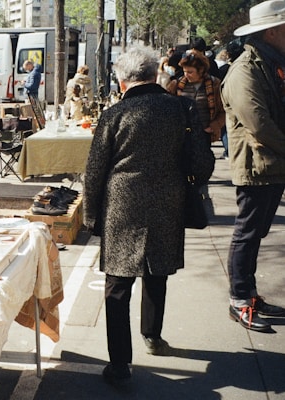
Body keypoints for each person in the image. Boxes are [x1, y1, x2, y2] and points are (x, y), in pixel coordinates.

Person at [83, 46, 214, 386]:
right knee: (157, 273)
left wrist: (90, 214)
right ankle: (152, 337)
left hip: (122, 205)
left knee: (117, 286)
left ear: (122, 80)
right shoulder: (181, 108)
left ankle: (120, 365)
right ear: (156, 73)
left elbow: (95, 171)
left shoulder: (114, 114)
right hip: (167, 202)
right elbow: (201, 163)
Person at [221, 0, 285, 332]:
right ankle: (239, 300)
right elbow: (258, 123)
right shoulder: (246, 69)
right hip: (257, 165)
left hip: (269, 163)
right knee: (247, 234)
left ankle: (249, 295)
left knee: (255, 234)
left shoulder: (269, 62)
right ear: (273, 31)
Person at [167, 49, 225, 147]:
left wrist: (214, 126)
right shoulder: (175, 85)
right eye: (185, 71)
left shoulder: (215, 84)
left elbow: (224, 109)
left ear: (201, 70)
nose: (186, 75)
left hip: (205, 134)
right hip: (182, 135)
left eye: (190, 72)